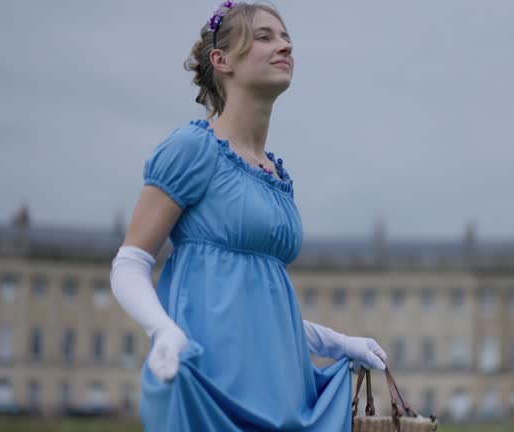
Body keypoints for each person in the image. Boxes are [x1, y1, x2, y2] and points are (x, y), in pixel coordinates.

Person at [109, 2, 388, 430]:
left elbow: (255, 303)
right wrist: (162, 330)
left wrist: (334, 341)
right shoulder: (194, 147)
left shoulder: (276, 175)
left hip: (283, 391)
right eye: (265, 36)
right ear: (221, 61)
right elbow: (130, 263)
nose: (285, 45)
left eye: (285, 36)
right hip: (209, 383)